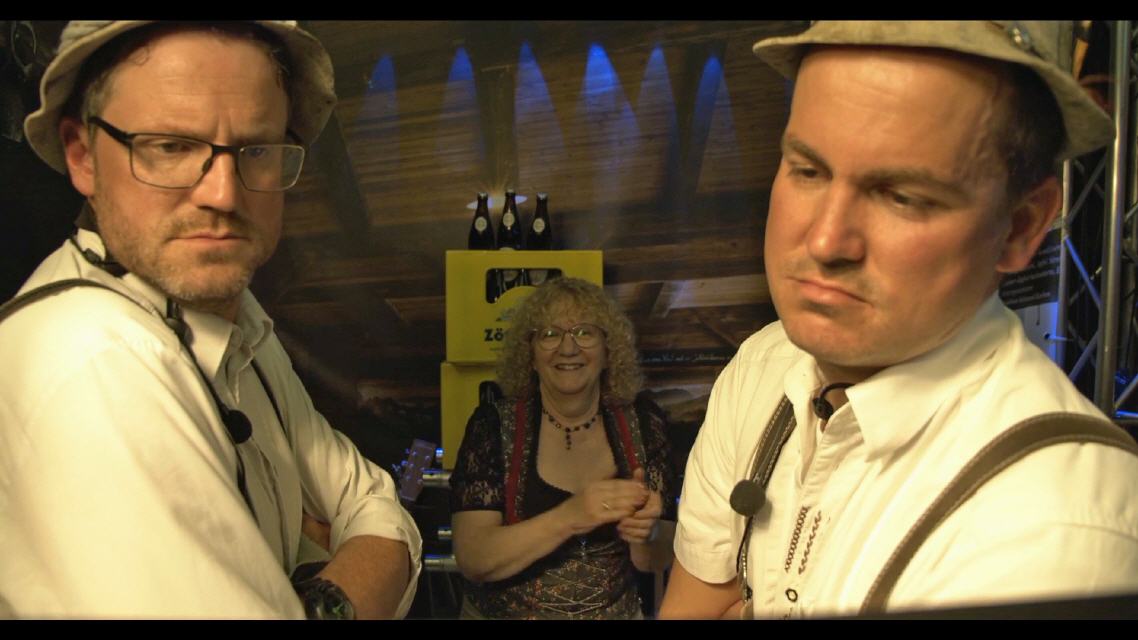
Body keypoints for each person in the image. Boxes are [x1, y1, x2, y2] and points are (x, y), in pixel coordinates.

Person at [659, 21, 1138, 619]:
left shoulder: (1061, 530)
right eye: (808, 170)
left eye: (902, 196)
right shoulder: (764, 364)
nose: (826, 240)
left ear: (1020, 227)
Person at [0, 21, 422, 618]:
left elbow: (379, 505)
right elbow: (376, 533)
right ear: (82, 156)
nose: (223, 194)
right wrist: (345, 566)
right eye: (171, 147)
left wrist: (310, 590)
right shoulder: (90, 359)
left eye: (257, 149)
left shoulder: (243, 325)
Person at [448, 276, 677, 619]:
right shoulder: (493, 425)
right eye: (550, 334)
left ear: (608, 350)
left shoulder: (644, 422)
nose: (568, 348)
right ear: (530, 354)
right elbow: (474, 559)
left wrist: (648, 532)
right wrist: (571, 516)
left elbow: (656, 559)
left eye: (584, 332)